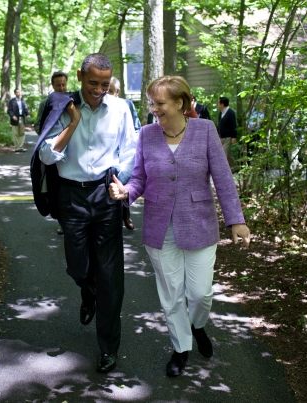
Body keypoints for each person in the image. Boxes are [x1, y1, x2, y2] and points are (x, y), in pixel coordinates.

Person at [108, 76, 250, 377]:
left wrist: (236, 220)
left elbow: (223, 179)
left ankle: (197, 326)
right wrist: (126, 193)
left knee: (200, 294)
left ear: (180, 103)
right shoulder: (146, 134)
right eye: (151, 103)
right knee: (171, 294)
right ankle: (181, 347)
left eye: (159, 103)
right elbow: (140, 178)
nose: (154, 109)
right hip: (160, 227)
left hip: (199, 223)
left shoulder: (205, 130)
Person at [39, 53, 137, 373]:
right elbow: (46, 154)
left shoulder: (121, 109)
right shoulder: (62, 107)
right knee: (78, 266)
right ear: (80, 77)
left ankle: (109, 347)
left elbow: (131, 151)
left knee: (111, 277)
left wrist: (120, 180)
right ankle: (87, 288)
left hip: (106, 194)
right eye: (93, 83)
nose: (98, 90)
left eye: (105, 84)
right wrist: (75, 122)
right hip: (71, 196)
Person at [35, 71, 69, 235]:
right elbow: (38, 126)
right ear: (53, 86)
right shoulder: (46, 103)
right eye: (58, 85)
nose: (61, 88)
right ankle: (61, 221)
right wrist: (51, 136)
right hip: (52, 155)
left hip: (70, 155)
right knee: (54, 190)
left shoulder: (72, 101)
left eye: (64, 84)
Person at [108, 77, 138, 231]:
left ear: (118, 92)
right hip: (109, 158)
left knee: (125, 186)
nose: (108, 94)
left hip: (125, 155)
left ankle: (126, 215)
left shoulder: (127, 105)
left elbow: (137, 128)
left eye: (111, 91)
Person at [217, 96, 237, 168]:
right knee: (228, 155)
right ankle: (236, 167)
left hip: (228, 137)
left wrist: (234, 136)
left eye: (218, 103)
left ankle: (223, 172)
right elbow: (220, 125)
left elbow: (233, 125)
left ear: (222, 104)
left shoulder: (231, 113)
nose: (217, 104)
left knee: (223, 155)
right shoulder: (221, 113)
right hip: (221, 137)